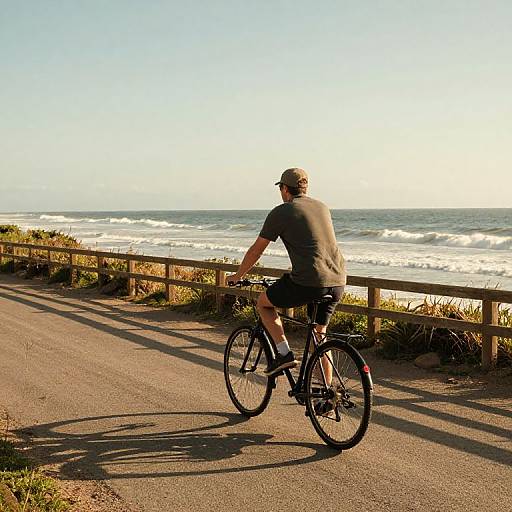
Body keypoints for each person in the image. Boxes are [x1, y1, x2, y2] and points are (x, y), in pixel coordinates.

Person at [226, 168, 346, 377]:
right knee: (320, 336)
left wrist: (239, 275)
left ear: (283, 188)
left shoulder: (282, 211)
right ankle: (326, 397)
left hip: (308, 281)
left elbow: (257, 250)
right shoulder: (322, 207)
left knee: (264, 303)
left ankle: (284, 354)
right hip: (338, 280)